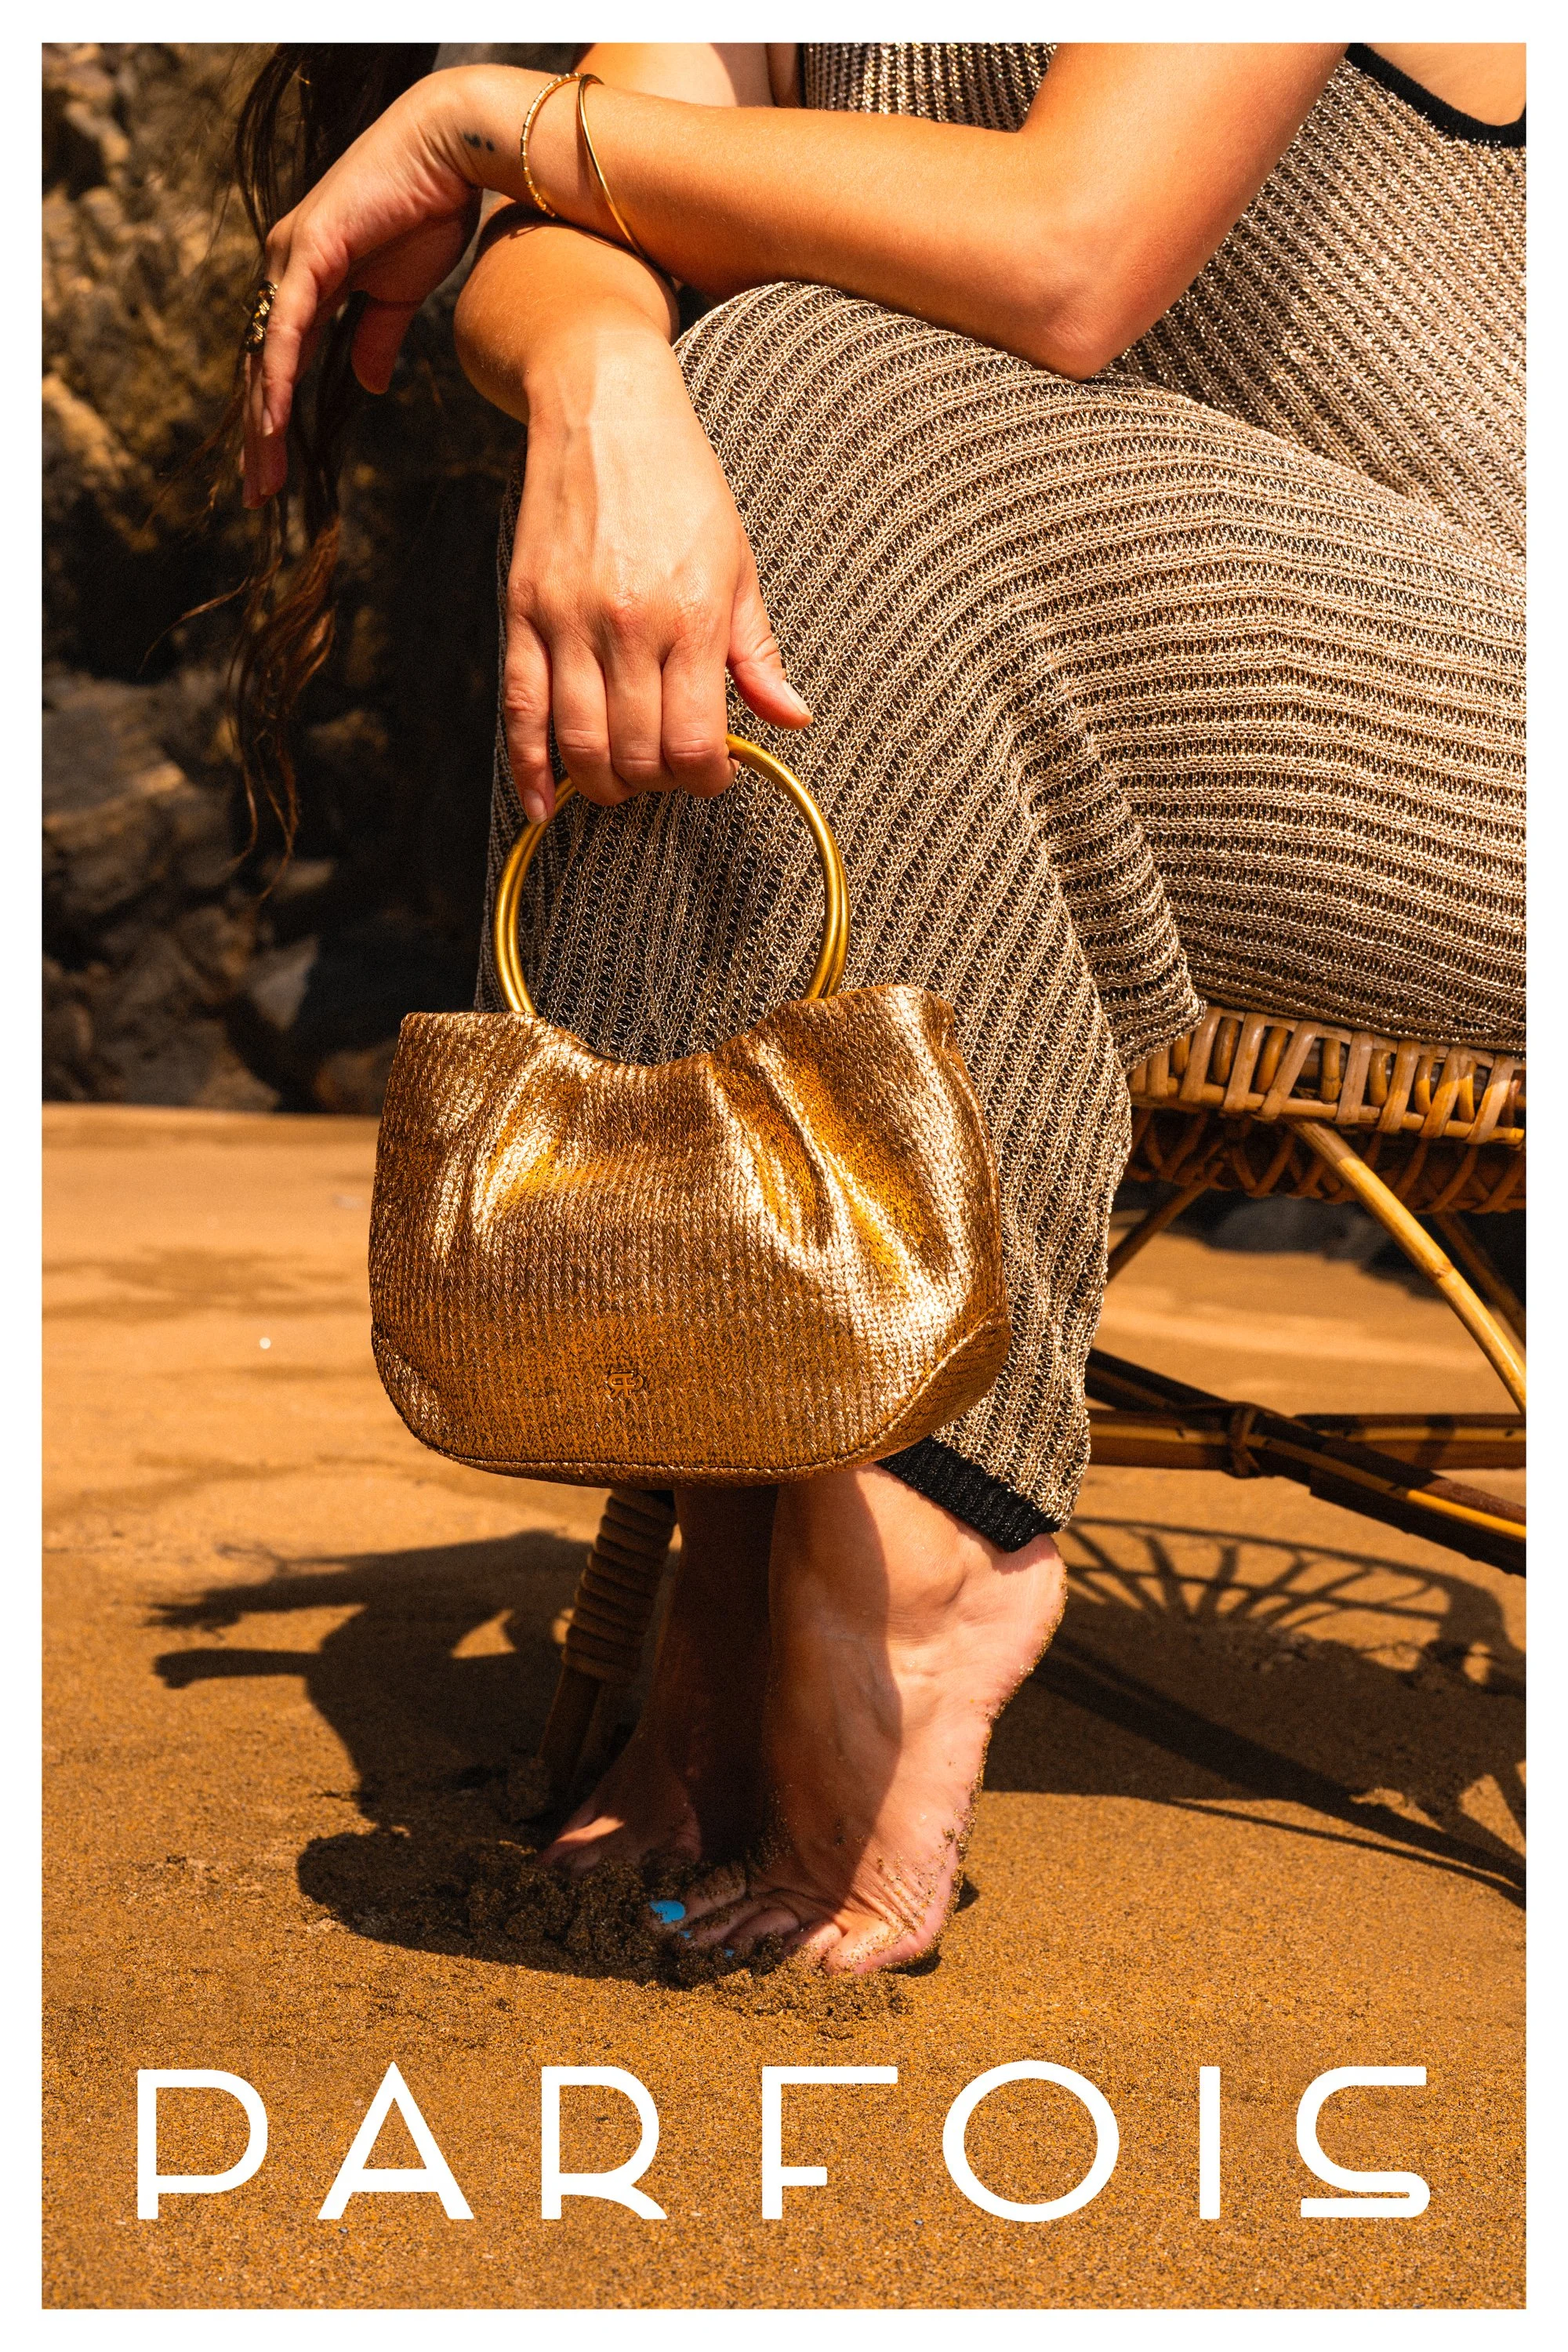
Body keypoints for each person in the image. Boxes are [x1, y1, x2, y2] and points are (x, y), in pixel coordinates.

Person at [230, 41, 1524, 1974]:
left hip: (1483, 710)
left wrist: (491, 124)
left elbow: (1065, 253)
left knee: (823, 390)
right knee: (709, 445)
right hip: (1088, 725)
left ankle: (911, 1522)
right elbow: (564, 238)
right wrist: (606, 377)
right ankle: (771, 1511)